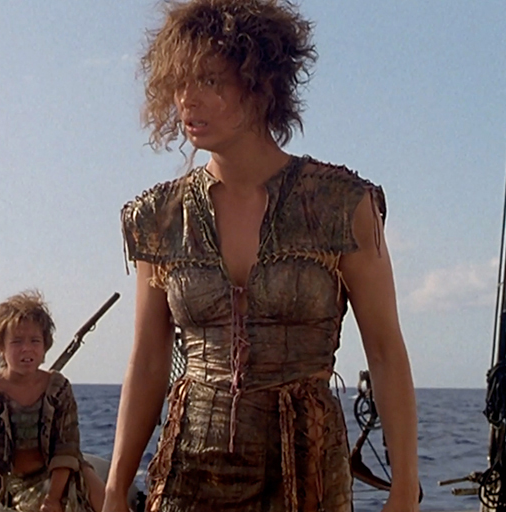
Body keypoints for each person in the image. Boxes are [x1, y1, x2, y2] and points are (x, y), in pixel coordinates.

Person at [102, 1, 420, 511]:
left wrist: (404, 485)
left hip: (306, 474)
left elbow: (384, 351)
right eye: (180, 83)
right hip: (190, 472)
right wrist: (116, 487)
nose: (187, 99)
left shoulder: (340, 204)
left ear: (261, 84)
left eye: (210, 80)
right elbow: (147, 361)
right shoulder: (159, 217)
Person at [0, 290, 105, 512]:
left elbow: (66, 448)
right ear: (1, 346)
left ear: (44, 346)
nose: (26, 348)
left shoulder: (59, 388)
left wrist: (53, 499)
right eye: (17, 341)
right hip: (19, 484)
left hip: (63, 475)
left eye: (35, 341)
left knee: (107, 502)